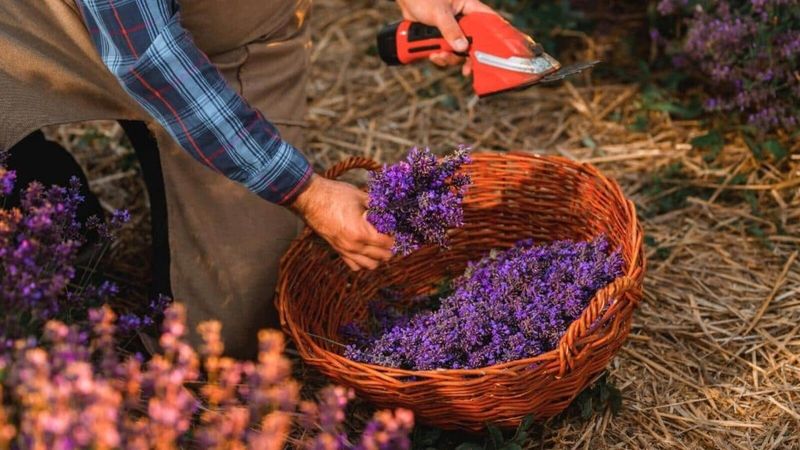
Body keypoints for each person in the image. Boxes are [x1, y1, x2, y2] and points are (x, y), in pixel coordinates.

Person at [0, 0, 497, 358]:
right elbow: (145, 54)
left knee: (232, 338)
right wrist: (306, 192)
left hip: (226, 34)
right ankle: (32, 176)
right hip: (40, 27)